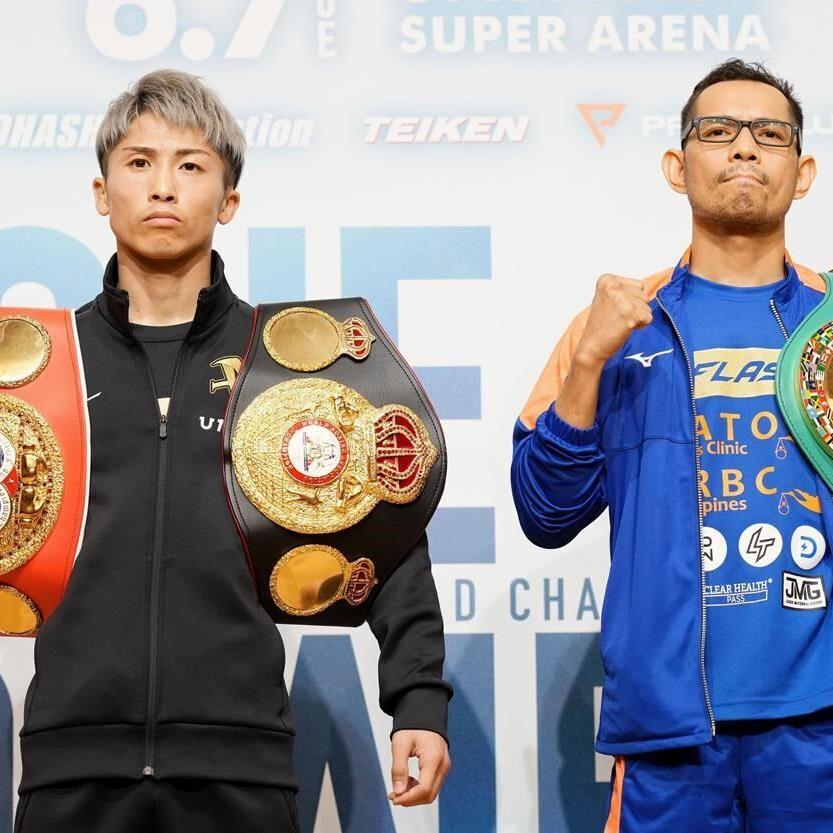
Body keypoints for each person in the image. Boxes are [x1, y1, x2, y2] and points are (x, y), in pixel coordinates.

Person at [13, 69, 451, 832]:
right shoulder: (44, 367)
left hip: (238, 764)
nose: (162, 187)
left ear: (228, 200)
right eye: (139, 162)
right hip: (71, 765)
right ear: (99, 189)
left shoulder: (288, 367)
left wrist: (417, 699)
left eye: (190, 166)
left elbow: (388, 538)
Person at [511, 58, 833, 831]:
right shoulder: (618, 325)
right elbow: (543, 511)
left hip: (821, 719)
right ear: (675, 165)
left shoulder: (828, 325)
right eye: (717, 132)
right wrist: (589, 359)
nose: (744, 149)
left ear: (804, 171)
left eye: (769, 134)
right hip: (671, 731)